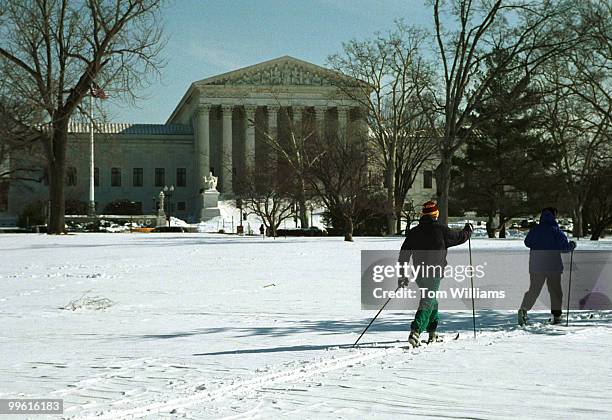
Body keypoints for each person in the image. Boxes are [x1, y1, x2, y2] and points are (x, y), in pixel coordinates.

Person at [399, 200, 473, 347]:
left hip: (419, 272)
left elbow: (404, 255)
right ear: (436, 214)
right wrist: (468, 230)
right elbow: (459, 237)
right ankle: (416, 331)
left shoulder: (414, 232)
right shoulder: (441, 230)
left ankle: (432, 332)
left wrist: (402, 274)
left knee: (432, 300)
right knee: (428, 300)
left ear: (423, 215)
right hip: (434, 272)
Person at [519, 207, 576, 326]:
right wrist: (571, 245)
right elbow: (564, 247)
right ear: (554, 215)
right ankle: (556, 315)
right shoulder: (556, 230)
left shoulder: (536, 229)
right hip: (553, 266)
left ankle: (523, 309)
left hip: (536, 265)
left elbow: (527, 242)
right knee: (555, 291)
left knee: (534, 289)